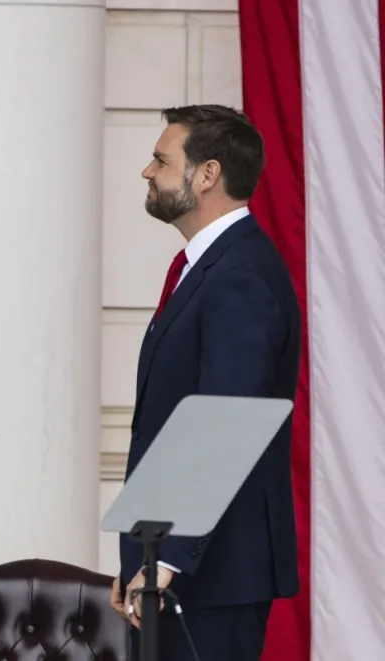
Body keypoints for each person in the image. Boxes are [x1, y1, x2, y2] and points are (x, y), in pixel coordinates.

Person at [110, 105, 301, 661]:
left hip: (213, 574)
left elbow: (225, 416)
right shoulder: (210, 265)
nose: (148, 172)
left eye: (161, 160)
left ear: (207, 174)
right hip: (179, 567)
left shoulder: (239, 273)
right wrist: (142, 560)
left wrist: (162, 562)